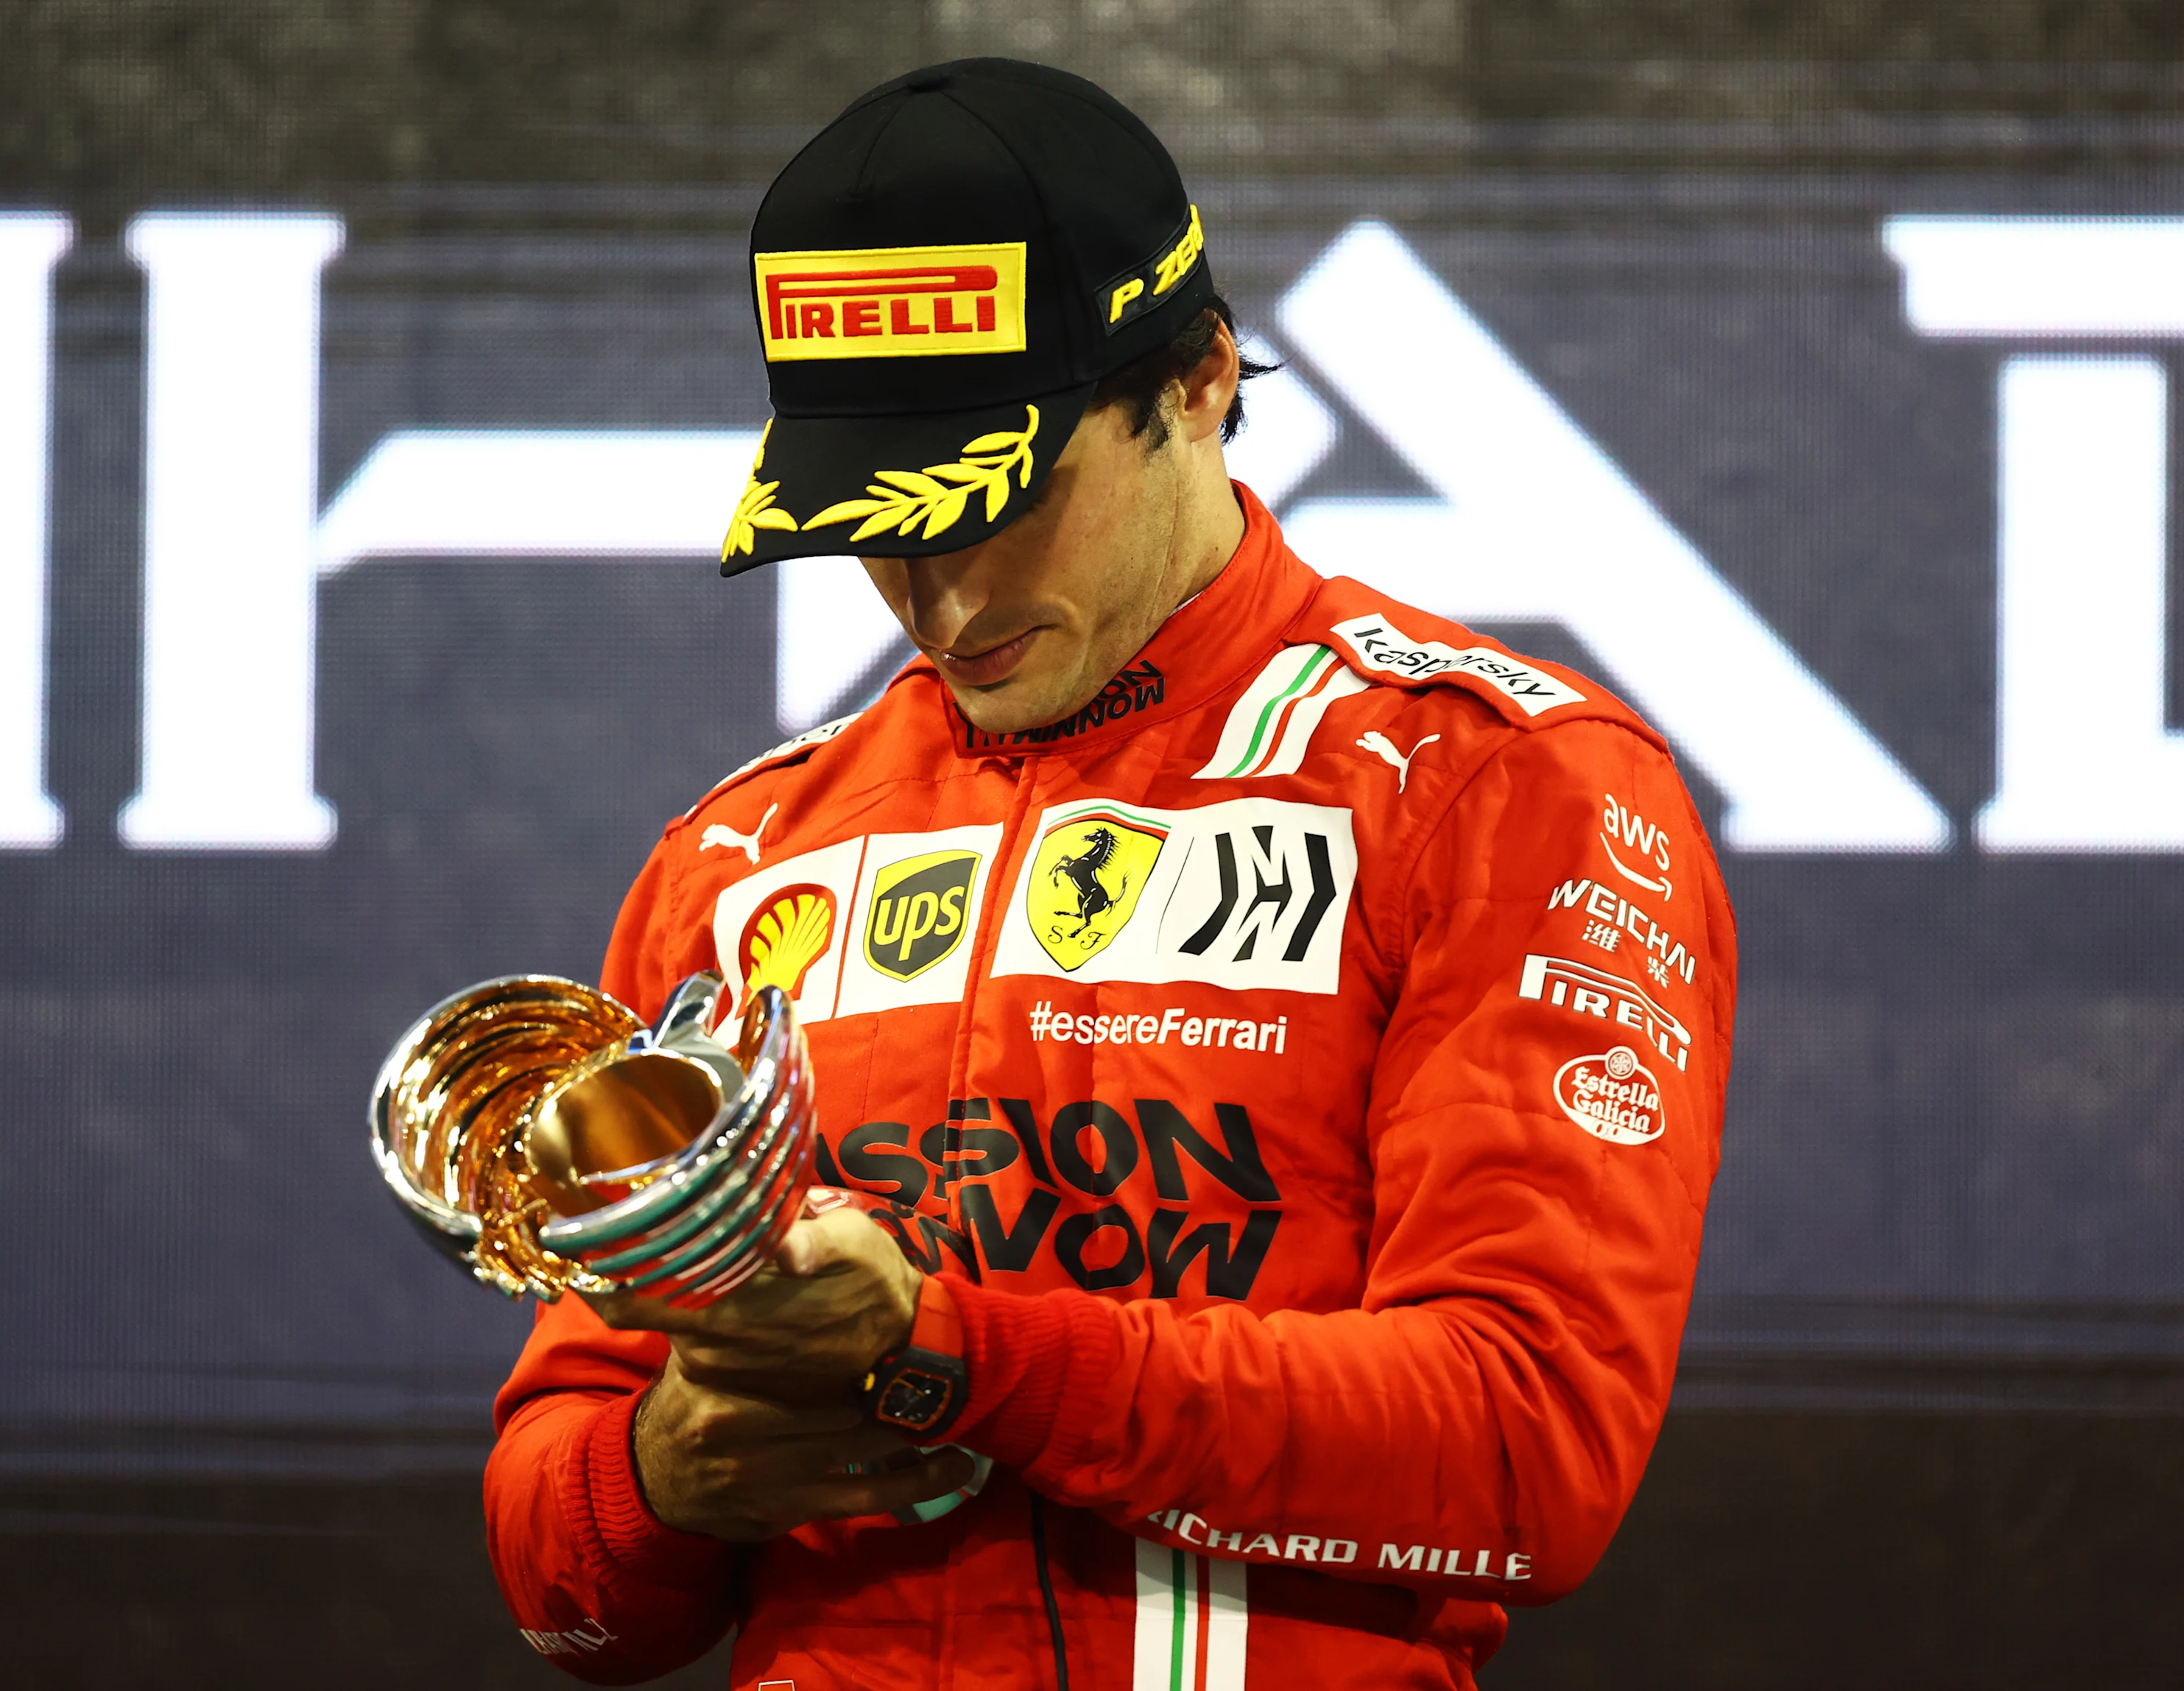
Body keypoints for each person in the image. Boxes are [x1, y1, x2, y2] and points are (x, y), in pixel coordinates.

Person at [487, 57, 1735, 1691]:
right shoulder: (745, 856)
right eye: (870, 520)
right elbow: (561, 1584)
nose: (934, 596)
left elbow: (1528, 1450)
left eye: (1000, 501)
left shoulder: (1497, 780)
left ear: (1201, 377)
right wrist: (655, 1475)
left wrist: (949, 1353)